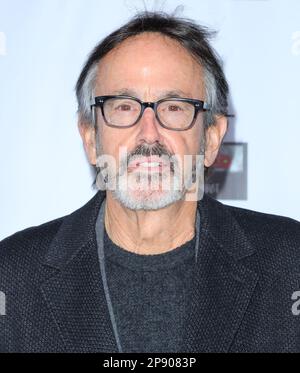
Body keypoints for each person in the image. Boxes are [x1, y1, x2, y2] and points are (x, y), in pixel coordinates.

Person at [0, 11, 300, 353]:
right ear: (90, 138)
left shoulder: (291, 264)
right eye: (124, 107)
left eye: (174, 107)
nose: (148, 133)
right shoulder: (11, 275)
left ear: (212, 139)